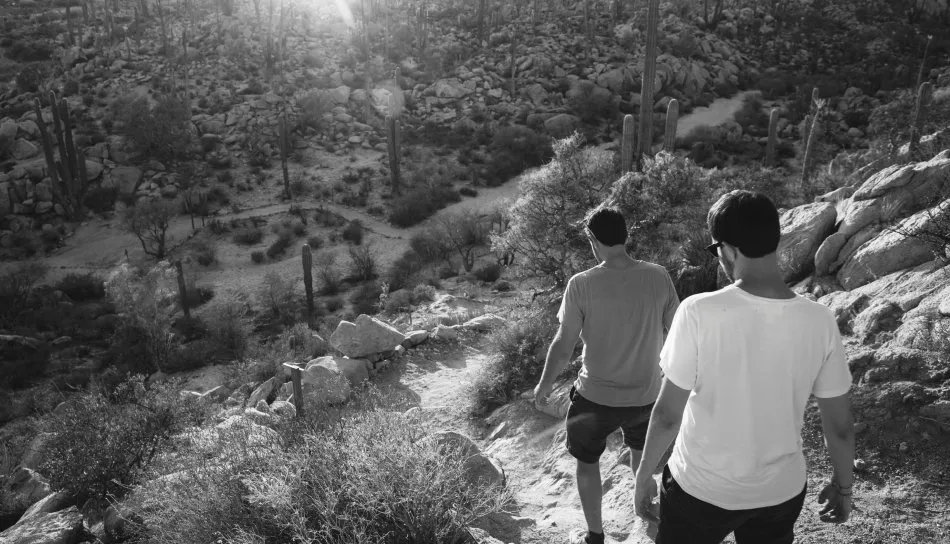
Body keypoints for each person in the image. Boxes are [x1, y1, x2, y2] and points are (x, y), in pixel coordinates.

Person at [633, 190, 855, 543]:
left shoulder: (698, 312)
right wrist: (844, 488)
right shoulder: (820, 319)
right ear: (774, 240)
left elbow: (667, 416)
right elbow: (839, 426)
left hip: (699, 490)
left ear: (728, 250)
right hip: (779, 492)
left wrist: (643, 476)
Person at [532, 207, 680, 544]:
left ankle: (595, 535)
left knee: (587, 463)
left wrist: (543, 385)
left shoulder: (581, 284)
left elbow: (563, 343)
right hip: (647, 395)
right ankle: (649, 523)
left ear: (593, 241)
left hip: (594, 397)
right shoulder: (658, 276)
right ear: (626, 236)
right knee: (644, 463)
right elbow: (679, 332)